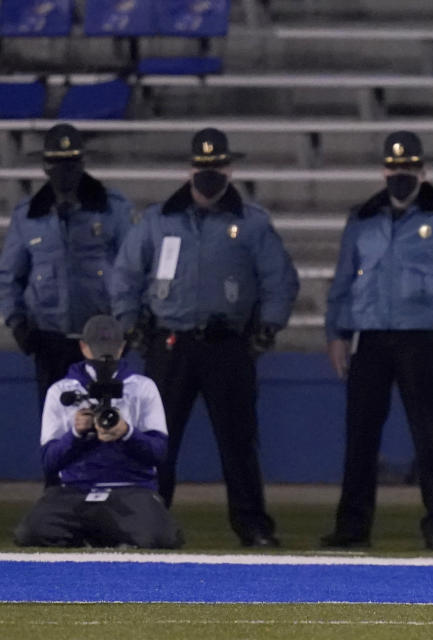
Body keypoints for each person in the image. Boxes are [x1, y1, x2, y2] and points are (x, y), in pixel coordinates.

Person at [110, 128, 299, 548]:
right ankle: (149, 523)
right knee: (157, 441)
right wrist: (131, 324)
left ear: (229, 169)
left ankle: (252, 525)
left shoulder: (251, 224)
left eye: (216, 167)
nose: (209, 174)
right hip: (170, 342)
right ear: (190, 169)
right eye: (202, 167)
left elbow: (279, 279)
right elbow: (125, 274)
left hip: (226, 343)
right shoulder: (159, 220)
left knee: (238, 442)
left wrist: (266, 328)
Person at [322, 131, 433, 551]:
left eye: (408, 168)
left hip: (419, 337)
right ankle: (352, 528)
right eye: (394, 168)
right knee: (360, 438)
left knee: (428, 435)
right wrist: (336, 333)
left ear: (423, 171)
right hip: (369, 336)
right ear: (383, 170)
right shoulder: (362, 219)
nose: (400, 175)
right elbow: (342, 280)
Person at [13, 315, 183, 548]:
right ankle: (104, 534)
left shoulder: (142, 387)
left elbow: (159, 453)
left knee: (160, 536)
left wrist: (126, 433)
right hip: (76, 491)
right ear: (83, 347)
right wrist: (76, 434)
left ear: (122, 347)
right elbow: (50, 461)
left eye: (112, 349)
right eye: (98, 348)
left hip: (130, 490)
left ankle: (101, 534)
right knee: (30, 532)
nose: (106, 356)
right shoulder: (61, 391)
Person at [0, 123, 134, 413]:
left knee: (104, 429)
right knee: (58, 432)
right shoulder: (28, 216)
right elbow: (9, 277)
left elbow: (133, 270)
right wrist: (18, 323)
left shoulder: (112, 208)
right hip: (50, 339)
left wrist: (130, 323)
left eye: (71, 163)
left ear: (82, 163)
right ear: (46, 166)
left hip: (102, 339)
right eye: (58, 163)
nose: (65, 171)